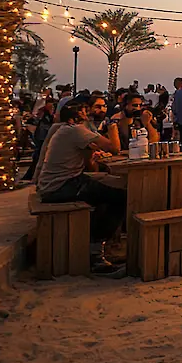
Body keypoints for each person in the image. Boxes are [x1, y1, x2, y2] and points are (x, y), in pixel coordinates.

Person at [35, 100, 125, 274]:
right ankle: (95, 254)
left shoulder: (63, 130)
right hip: (61, 186)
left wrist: (92, 151)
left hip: (54, 183)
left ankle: (101, 247)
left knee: (107, 186)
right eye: (86, 110)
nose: (90, 113)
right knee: (121, 198)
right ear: (78, 116)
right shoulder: (75, 130)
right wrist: (113, 127)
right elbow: (114, 148)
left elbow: (88, 162)